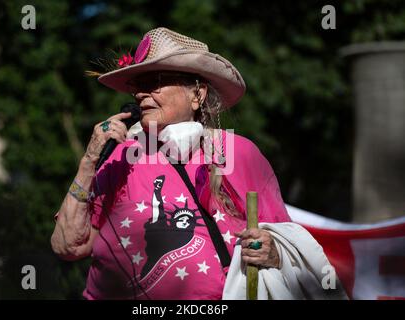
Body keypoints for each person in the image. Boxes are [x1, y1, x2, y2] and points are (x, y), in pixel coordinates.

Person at [51, 27, 347, 300]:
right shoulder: (120, 157)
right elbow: (68, 246)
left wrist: (273, 252)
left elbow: (286, 243)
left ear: (197, 94)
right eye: (138, 85)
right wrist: (89, 161)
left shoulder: (238, 153)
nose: (141, 93)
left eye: (155, 82)